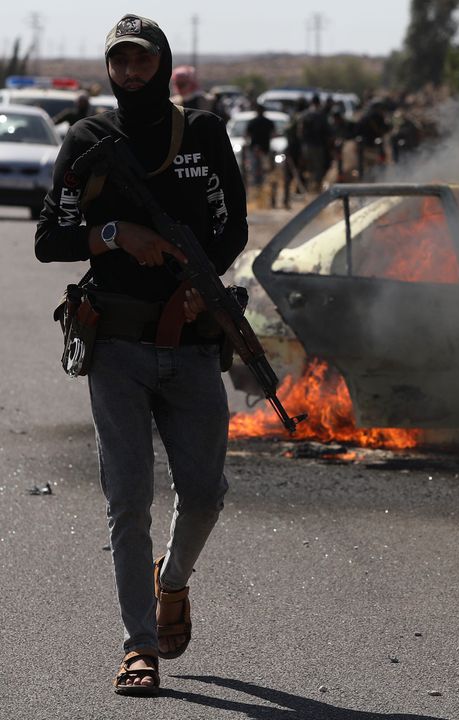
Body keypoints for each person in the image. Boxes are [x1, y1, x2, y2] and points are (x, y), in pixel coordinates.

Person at [33, 13, 248, 697]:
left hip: (190, 344)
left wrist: (198, 290)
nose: (130, 73)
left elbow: (232, 225)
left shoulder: (205, 134)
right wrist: (114, 233)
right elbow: (50, 239)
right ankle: (140, 647)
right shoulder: (87, 139)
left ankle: (173, 581)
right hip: (117, 347)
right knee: (127, 502)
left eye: (142, 61)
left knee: (207, 494)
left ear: (163, 63)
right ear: (109, 68)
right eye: (120, 62)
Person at [244, 103, 275, 187]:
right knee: (264, 168)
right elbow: (273, 134)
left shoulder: (252, 122)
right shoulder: (268, 122)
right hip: (265, 148)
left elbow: (247, 135)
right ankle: (263, 184)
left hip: (255, 148)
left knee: (255, 168)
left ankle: (257, 184)